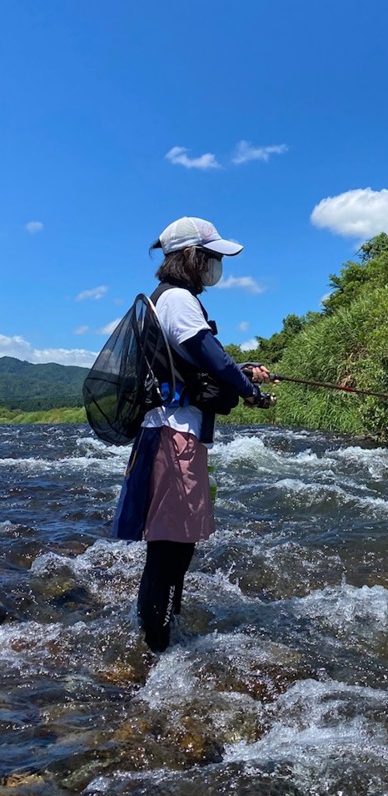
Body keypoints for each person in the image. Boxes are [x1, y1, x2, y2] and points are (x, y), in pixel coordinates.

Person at [114, 216, 276, 652]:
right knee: (170, 548)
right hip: (174, 435)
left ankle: (163, 638)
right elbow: (213, 359)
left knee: (175, 546)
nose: (216, 266)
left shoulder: (167, 299)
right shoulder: (179, 299)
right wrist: (251, 392)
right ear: (190, 257)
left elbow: (200, 363)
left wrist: (242, 371)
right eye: (212, 257)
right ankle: (158, 647)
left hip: (170, 433)